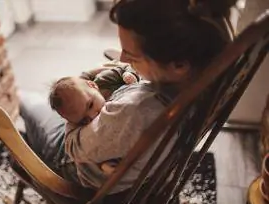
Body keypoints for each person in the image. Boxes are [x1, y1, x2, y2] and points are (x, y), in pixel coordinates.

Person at [20, 0, 237, 193]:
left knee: (31, 106)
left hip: (73, 163)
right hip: (144, 167)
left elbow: (74, 148)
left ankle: (19, 100)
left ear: (178, 65)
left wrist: (76, 106)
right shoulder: (207, 71)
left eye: (131, 55)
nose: (122, 57)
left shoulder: (137, 111)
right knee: (61, 99)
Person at [48, 64, 139, 126]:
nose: (92, 116)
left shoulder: (104, 79)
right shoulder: (85, 101)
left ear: (93, 86)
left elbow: (126, 66)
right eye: (84, 120)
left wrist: (130, 74)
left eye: (90, 105)